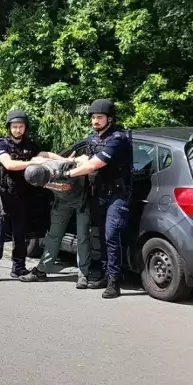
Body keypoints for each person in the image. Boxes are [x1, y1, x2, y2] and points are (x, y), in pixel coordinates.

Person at [54, 99, 133, 299]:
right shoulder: (93, 139)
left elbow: (94, 165)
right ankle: (105, 276)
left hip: (117, 195)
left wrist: (68, 175)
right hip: (98, 194)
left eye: (99, 117)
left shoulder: (118, 139)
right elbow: (85, 160)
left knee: (111, 236)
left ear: (110, 118)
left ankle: (115, 282)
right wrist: (68, 162)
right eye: (93, 117)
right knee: (101, 237)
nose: (95, 121)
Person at [0, 109, 65, 284]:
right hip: (3, 197)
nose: (18, 130)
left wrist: (64, 161)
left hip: (23, 197)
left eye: (21, 126)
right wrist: (33, 162)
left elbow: (44, 154)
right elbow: (9, 164)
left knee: (21, 236)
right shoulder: (1, 144)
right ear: (9, 128)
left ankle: (18, 267)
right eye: (14, 127)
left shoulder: (30, 145)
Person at [20, 159, 92, 289]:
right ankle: (41, 271)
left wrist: (71, 168)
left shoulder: (63, 166)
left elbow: (84, 164)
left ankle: (83, 275)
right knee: (53, 236)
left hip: (82, 201)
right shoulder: (37, 176)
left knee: (83, 237)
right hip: (62, 202)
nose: (47, 183)